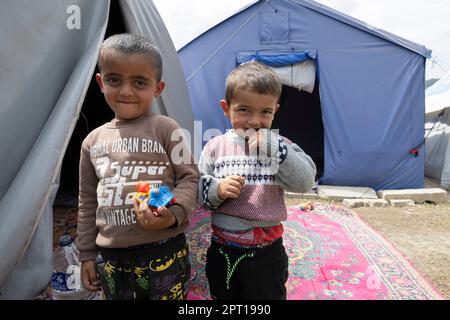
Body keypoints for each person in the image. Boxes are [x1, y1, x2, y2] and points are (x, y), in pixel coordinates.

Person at [77, 33, 199, 300]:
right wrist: (86, 254)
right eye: (114, 80)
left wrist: (173, 213)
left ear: (158, 88)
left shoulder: (166, 129)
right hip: (110, 255)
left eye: (140, 82)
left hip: (163, 248)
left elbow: (189, 178)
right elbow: (87, 200)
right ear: (100, 82)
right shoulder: (92, 142)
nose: (126, 91)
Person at [198, 61, 316, 299]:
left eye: (265, 112)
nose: (254, 121)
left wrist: (277, 149)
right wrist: (216, 190)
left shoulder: (282, 147)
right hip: (223, 249)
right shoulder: (215, 147)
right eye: (243, 110)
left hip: (267, 253)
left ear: (276, 110)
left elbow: (305, 181)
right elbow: (196, 190)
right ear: (226, 108)